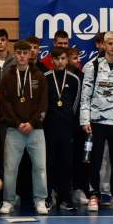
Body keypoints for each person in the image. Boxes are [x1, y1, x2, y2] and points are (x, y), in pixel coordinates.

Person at [79, 30, 113, 212]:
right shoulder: (92, 66)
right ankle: (94, 195)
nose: (112, 47)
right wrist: (85, 120)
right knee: (95, 160)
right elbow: (85, 97)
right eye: (109, 43)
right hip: (96, 121)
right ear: (103, 45)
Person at [0, 39, 49, 216]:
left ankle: (40, 200)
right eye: (19, 53)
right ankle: (8, 200)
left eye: (25, 53)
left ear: (30, 55)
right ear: (15, 54)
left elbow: (43, 103)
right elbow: (5, 104)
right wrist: (17, 123)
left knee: (40, 167)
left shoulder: (39, 76)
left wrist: (32, 123)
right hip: (14, 130)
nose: (21, 56)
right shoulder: (7, 77)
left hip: (36, 130)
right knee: (10, 168)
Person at [44, 46, 83, 211]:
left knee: (66, 163)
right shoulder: (45, 77)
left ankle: (65, 198)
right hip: (49, 128)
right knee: (49, 163)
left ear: (67, 60)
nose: (60, 62)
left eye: (62, 59)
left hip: (67, 128)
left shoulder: (74, 79)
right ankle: (48, 196)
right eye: (57, 59)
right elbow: (43, 103)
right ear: (51, 60)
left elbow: (76, 105)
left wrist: (70, 123)